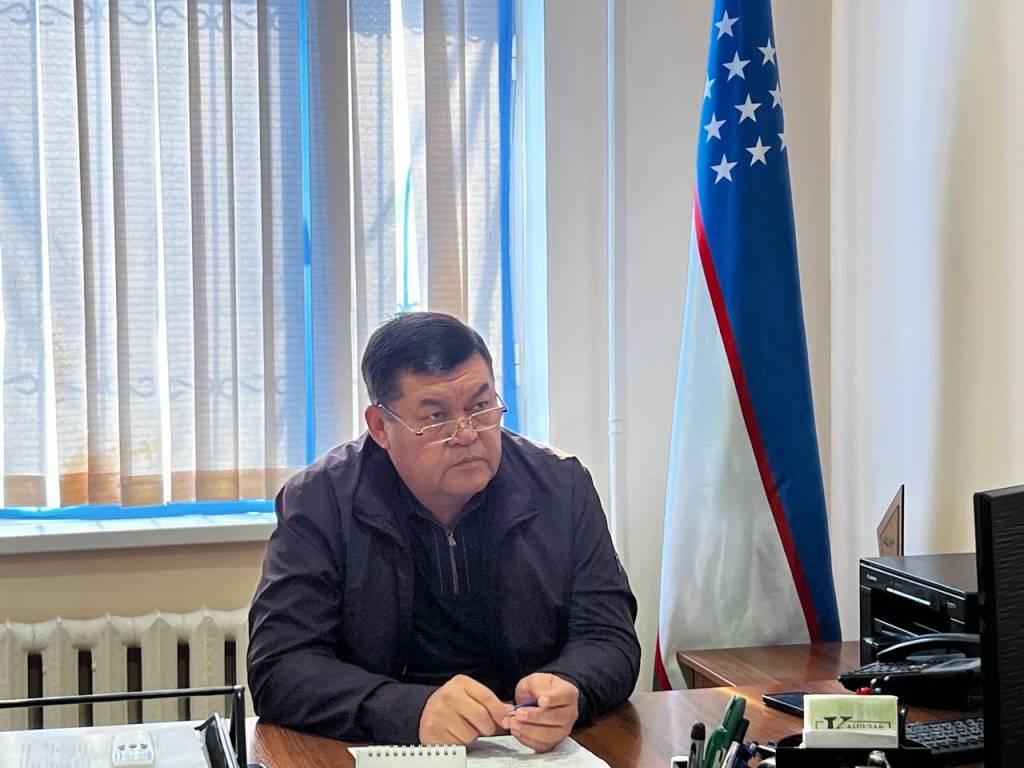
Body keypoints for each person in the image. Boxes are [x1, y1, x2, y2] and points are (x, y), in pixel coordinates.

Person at [247, 312, 640, 751]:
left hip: (529, 747)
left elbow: (609, 637)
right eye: (436, 417)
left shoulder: (561, 488)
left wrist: (572, 686)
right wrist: (411, 710)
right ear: (380, 427)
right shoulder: (321, 501)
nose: (466, 434)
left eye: (480, 407)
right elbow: (280, 666)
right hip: (385, 746)